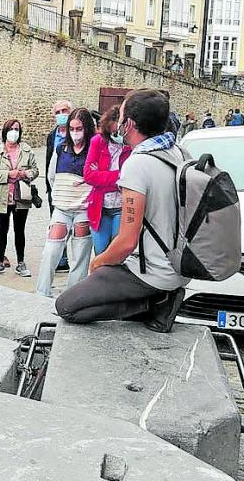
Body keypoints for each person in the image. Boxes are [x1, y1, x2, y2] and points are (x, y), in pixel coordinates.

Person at [55, 89, 188, 333]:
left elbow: (127, 241)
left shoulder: (138, 164)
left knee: (67, 307)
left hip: (150, 271)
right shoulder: (178, 152)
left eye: (122, 116)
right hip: (177, 266)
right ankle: (157, 298)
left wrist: (98, 263)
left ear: (129, 125)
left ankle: (153, 301)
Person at [36, 108, 95, 297]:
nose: (75, 132)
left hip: (83, 209)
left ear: (87, 128)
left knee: (80, 257)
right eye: (72, 128)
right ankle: (42, 293)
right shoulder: (61, 148)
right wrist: (59, 197)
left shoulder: (94, 150)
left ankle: (72, 297)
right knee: (50, 252)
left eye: (79, 128)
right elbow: (52, 176)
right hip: (62, 208)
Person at [0, 119, 39, 277]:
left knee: (19, 230)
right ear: (5, 131)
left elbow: (35, 170)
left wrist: (25, 174)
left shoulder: (26, 150)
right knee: (2, 230)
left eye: (16, 129)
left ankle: (21, 262)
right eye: (11, 129)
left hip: (21, 197)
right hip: (2, 196)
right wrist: (8, 174)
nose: (14, 132)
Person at [84, 106, 132, 256]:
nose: (115, 135)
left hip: (122, 207)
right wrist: (119, 177)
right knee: (100, 252)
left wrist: (102, 176)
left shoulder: (132, 147)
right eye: (112, 132)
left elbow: (131, 178)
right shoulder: (98, 141)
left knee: (117, 254)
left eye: (117, 132)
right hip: (100, 206)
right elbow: (89, 175)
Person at [46, 99, 72, 272]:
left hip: (73, 187)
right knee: (56, 223)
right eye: (58, 112)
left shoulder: (77, 133)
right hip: (55, 187)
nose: (61, 115)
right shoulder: (52, 136)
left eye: (65, 111)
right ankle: (61, 259)